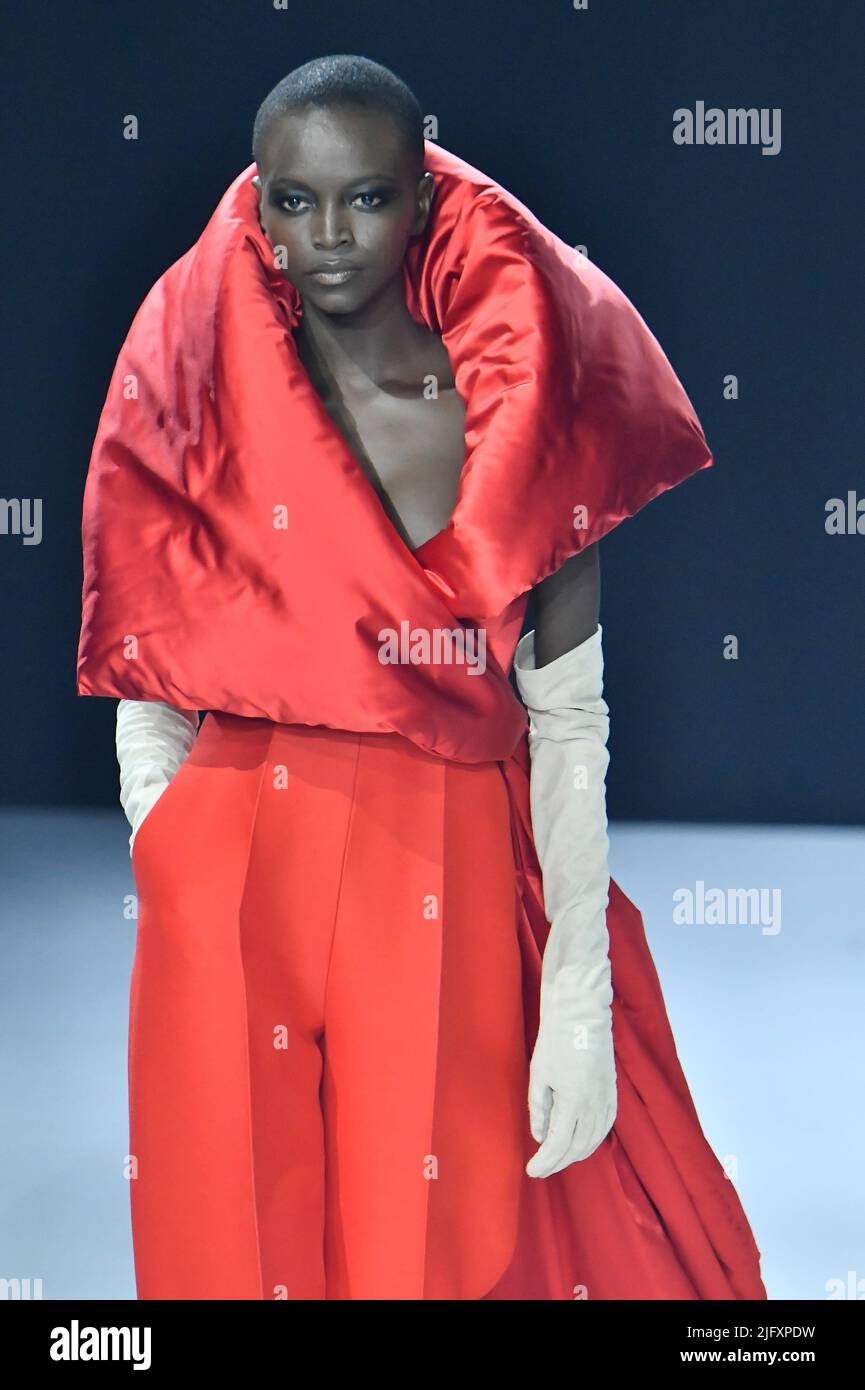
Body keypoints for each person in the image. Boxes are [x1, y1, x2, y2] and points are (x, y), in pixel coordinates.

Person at [78, 55, 767, 1300]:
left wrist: (574, 993)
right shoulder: (200, 391)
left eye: (366, 199)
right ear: (258, 209)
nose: (328, 236)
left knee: (426, 1255)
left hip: (437, 851)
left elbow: (565, 714)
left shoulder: (513, 409)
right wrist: (168, 848)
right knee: (228, 1246)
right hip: (232, 867)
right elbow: (152, 663)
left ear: (424, 199)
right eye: (292, 202)